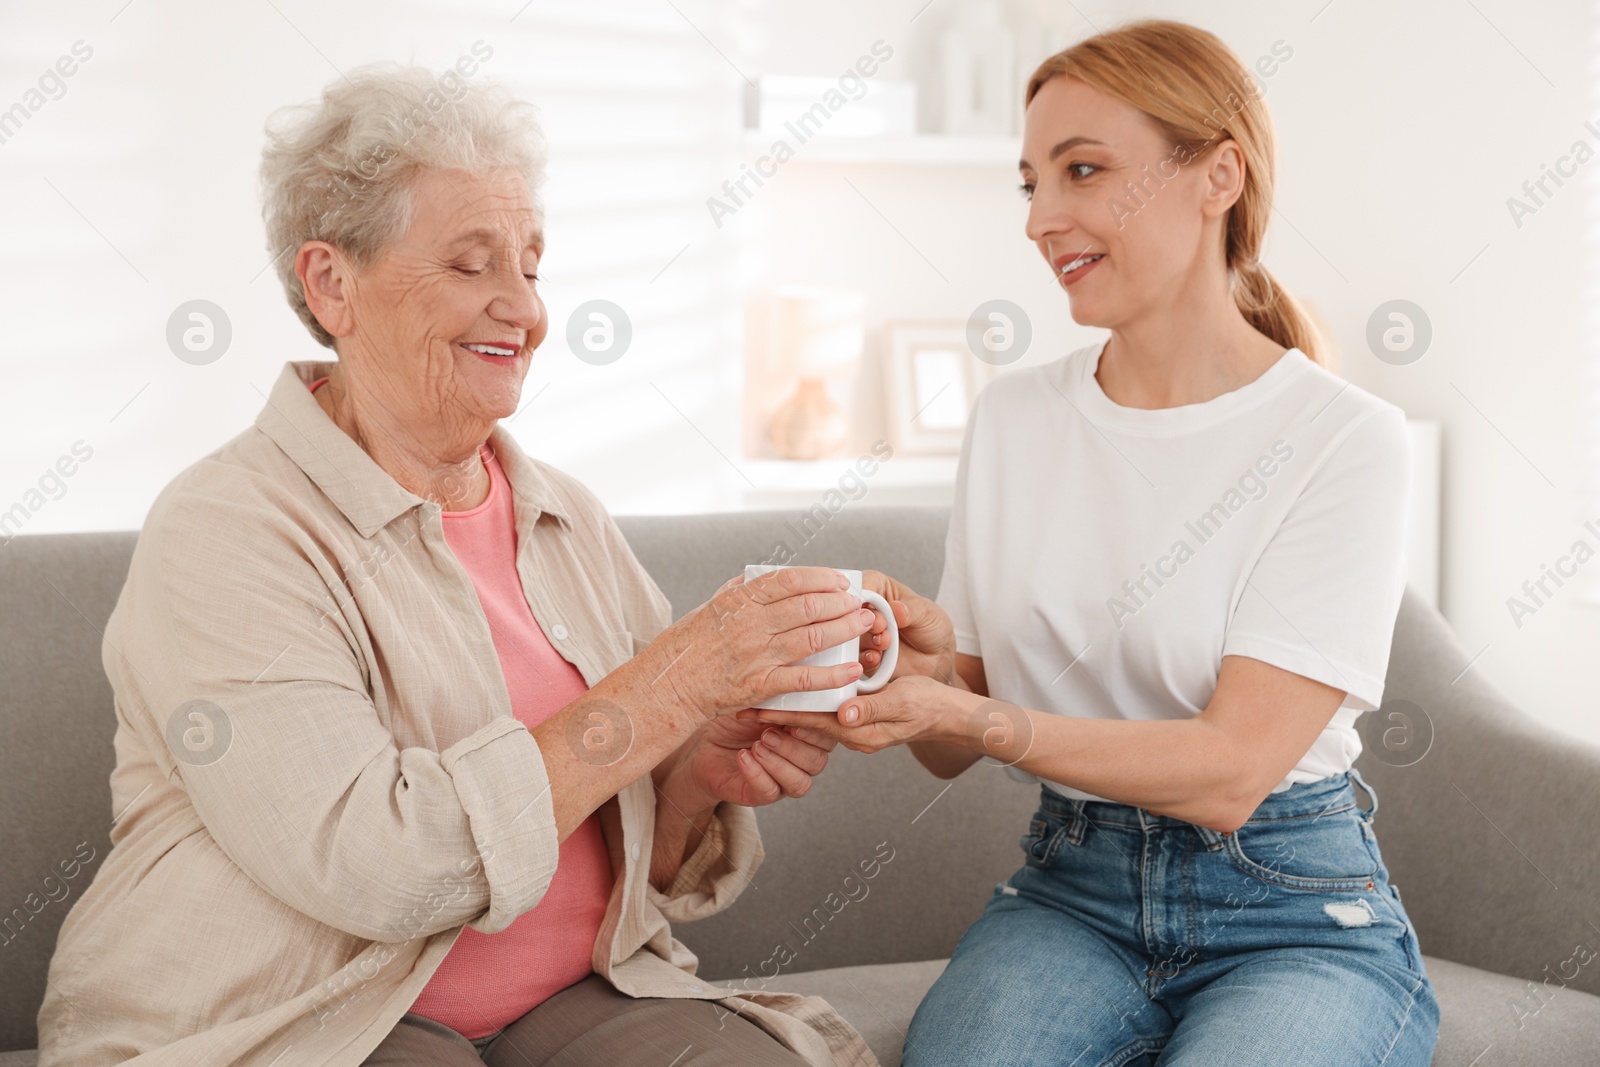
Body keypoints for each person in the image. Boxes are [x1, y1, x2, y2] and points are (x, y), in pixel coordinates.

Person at [36, 64, 883, 1066]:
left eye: (531, 265)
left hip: (570, 996)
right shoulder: (227, 528)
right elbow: (381, 870)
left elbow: (625, 847)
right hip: (299, 1016)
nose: (522, 310)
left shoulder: (564, 513)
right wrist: (680, 677)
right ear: (330, 282)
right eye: (471, 264)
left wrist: (694, 772)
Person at [748, 20, 1440, 1067]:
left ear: (1218, 176)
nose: (1043, 218)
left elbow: (1226, 770)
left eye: (1083, 170)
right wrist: (908, 660)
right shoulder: (1016, 418)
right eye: (1030, 183)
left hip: (1290, 910)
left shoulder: (1343, 439)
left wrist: (974, 709)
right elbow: (945, 739)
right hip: (1072, 892)